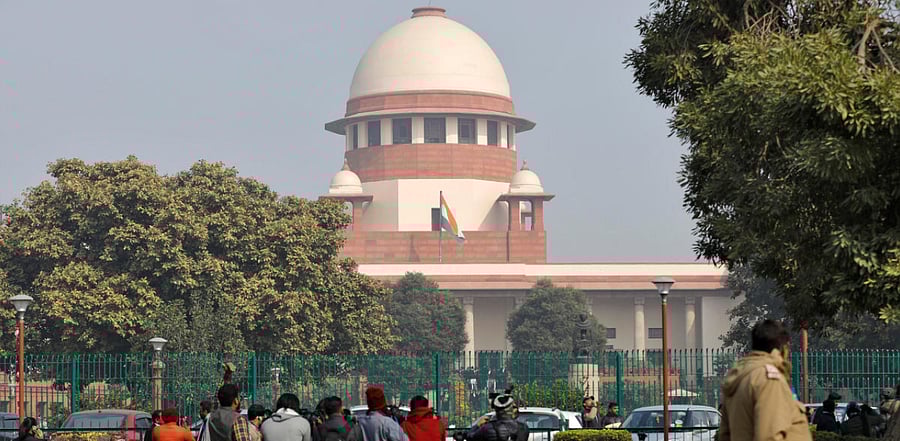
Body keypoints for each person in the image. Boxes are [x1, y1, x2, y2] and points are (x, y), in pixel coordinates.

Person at [717, 319, 811, 441]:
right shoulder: (769, 379)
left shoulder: (739, 378)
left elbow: (725, 435)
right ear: (782, 348)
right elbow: (768, 436)